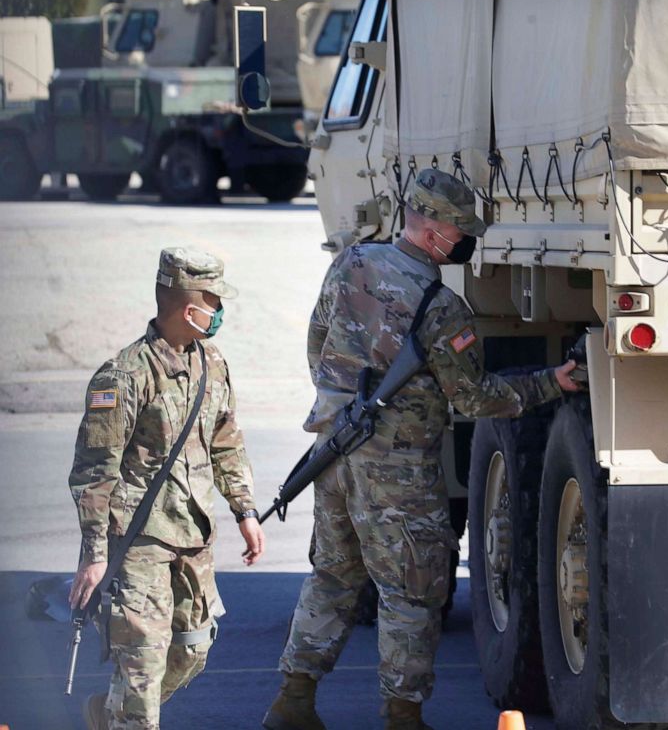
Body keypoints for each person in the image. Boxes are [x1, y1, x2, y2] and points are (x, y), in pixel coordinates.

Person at [263, 169, 580, 730]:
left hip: (335, 453)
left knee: (334, 578)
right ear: (434, 231)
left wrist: (345, 401)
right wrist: (553, 381)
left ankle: (293, 702)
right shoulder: (441, 306)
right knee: (412, 591)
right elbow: (478, 398)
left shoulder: (351, 262)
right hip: (398, 469)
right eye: (461, 232)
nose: (464, 242)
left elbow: (317, 345)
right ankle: (403, 716)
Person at [67, 247, 265, 730]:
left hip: (194, 533)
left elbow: (226, 442)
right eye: (213, 302)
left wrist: (245, 511)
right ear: (186, 306)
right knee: (143, 664)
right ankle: (128, 717)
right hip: (140, 540)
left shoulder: (211, 364)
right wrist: (95, 554)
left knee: (192, 650)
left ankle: (109, 713)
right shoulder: (124, 375)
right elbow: (95, 471)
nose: (219, 312)